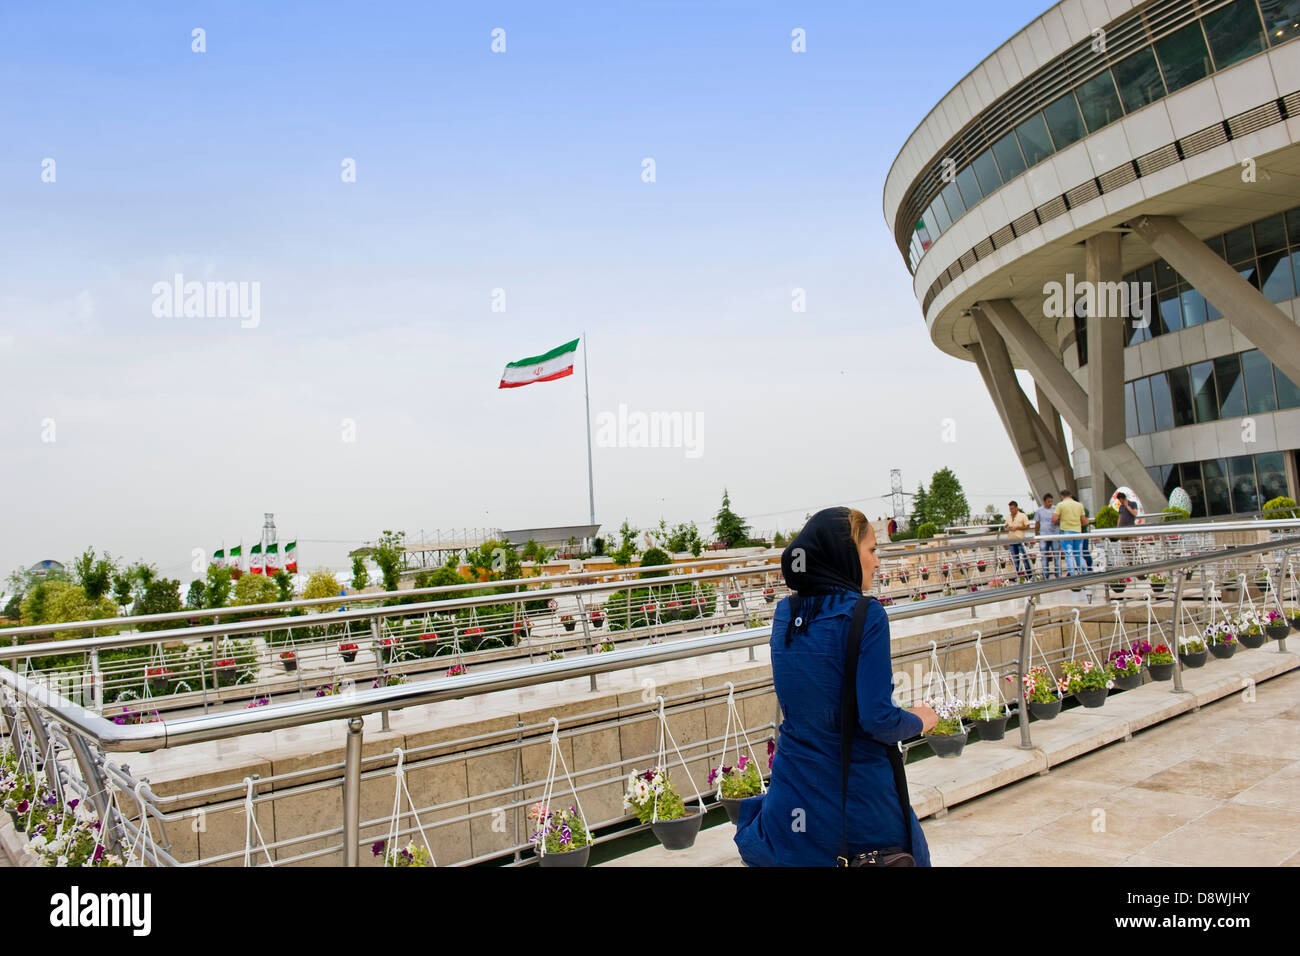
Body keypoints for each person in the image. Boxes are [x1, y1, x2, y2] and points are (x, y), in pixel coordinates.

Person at [733, 507, 936, 867]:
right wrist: (922, 719)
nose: (877, 562)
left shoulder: (785, 613)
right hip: (855, 794)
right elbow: (878, 719)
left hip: (794, 788)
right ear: (846, 554)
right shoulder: (866, 616)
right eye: (871, 550)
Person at [1053, 489, 1088, 576]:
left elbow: (1054, 519)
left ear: (1062, 496)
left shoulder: (1060, 505)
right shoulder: (1079, 505)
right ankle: (1083, 573)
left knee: (1069, 554)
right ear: (1071, 495)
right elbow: (1084, 521)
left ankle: (1072, 574)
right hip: (1078, 531)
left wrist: (1060, 520)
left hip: (1066, 532)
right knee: (1079, 553)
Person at [1033, 494, 1060, 579]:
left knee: (1056, 555)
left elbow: (1060, 520)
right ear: (1044, 501)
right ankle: (1046, 575)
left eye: (1051, 501)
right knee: (1044, 556)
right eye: (1048, 501)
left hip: (1055, 536)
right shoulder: (1039, 511)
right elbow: (1037, 524)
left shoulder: (1056, 509)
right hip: (1044, 537)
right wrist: (1037, 535)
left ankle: (1058, 574)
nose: (1050, 503)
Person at [1005, 501, 1031, 579]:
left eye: (1012, 508)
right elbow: (1006, 525)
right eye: (1010, 509)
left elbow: (1027, 527)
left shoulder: (1022, 516)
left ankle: (1029, 576)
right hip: (1011, 541)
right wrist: (1008, 527)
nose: (1011, 510)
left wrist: (1017, 528)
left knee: (1025, 559)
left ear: (1016, 508)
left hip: (1020, 540)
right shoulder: (1008, 516)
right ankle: (1020, 576)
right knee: (1015, 560)